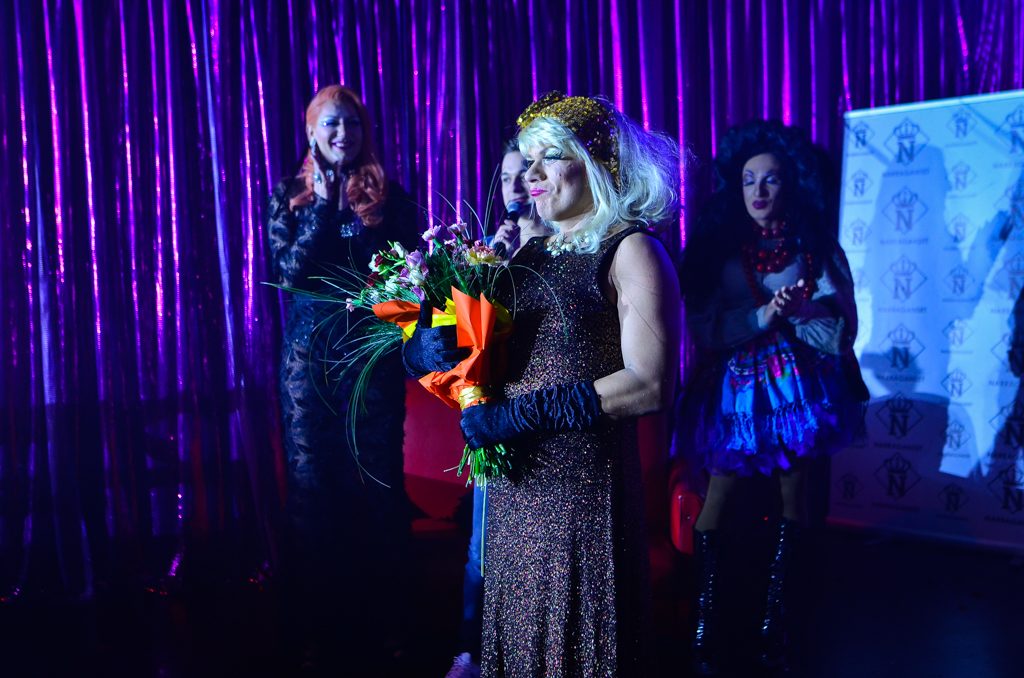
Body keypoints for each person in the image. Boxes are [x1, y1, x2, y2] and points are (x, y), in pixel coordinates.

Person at [410, 91, 681, 676]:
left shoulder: (632, 248)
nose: (530, 175)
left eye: (549, 157)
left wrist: (520, 416)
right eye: (527, 159)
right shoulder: (530, 253)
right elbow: (481, 352)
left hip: (584, 500)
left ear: (598, 162)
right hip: (514, 498)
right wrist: (424, 348)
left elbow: (651, 384)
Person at [676, 120, 867, 675]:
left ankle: (776, 617)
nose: (758, 191)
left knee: (794, 497)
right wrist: (760, 315)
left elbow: (842, 323)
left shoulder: (813, 247)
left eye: (771, 180)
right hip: (734, 391)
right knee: (718, 495)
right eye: (748, 180)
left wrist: (803, 310)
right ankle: (705, 614)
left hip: (796, 389)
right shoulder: (718, 248)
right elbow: (703, 325)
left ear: (791, 184)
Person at [266, 84, 419, 671]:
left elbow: (409, 275)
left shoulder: (389, 196)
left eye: (351, 124)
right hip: (308, 367)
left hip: (370, 361)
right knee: (314, 492)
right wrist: (325, 207)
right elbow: (290, 275)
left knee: (376, 487)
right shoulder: (289, 195)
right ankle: (317, 631)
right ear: (311, 131)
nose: (341, 134)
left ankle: (388, 627)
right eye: (331, 123)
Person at [444, 142, 556, 678]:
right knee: (483, 547)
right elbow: (464, 343)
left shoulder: (564, 249)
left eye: (525, 172)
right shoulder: (490, 252)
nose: (516, 184)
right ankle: (473, 650)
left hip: (550, 416)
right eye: (507, 176)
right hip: (495, 416)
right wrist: (487, 273)